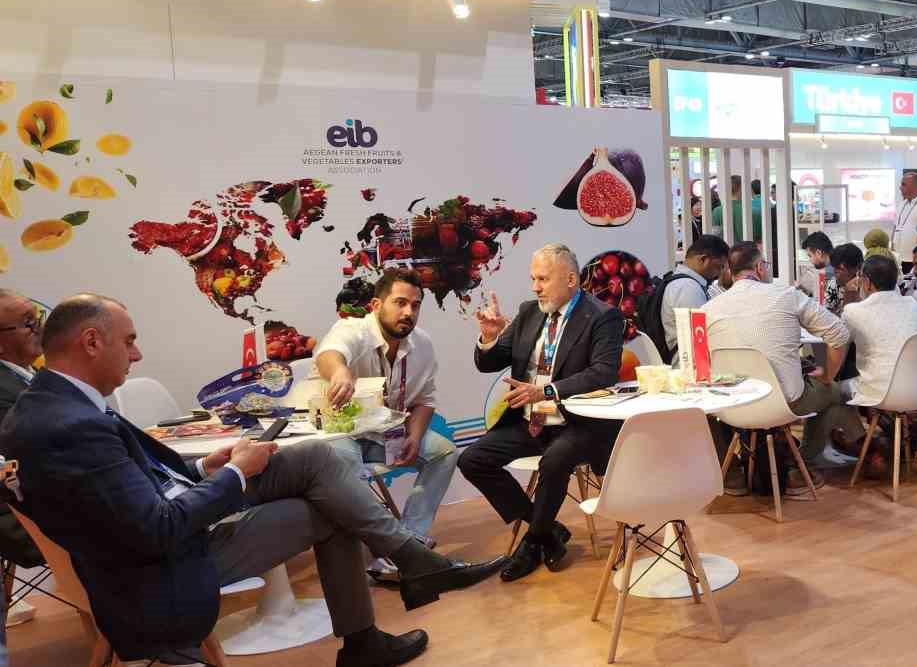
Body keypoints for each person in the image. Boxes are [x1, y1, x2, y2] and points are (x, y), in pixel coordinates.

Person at [0, 294, 502, 666]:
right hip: (162, 567)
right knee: (335, 505)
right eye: (129, 342)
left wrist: (205, 469)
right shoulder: (71, 425)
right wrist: (237, 473)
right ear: (91, 342)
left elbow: (134, 486)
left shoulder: (52, 404)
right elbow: (158, 528)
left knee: (315, 459)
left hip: (166, 523)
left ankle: (410, 568)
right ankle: (384, 611)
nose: (137, 355)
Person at [459, 244, 624, 583]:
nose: (535, 287)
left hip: (577, 423)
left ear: (571, 280)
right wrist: (488, 338)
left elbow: (603, 372)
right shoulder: (529, 312)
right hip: (532, 421)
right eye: (533, 279)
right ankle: (548, 531)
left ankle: (533, 541)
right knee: (471, 460)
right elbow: (489, 363)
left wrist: (547, 391)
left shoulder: (602, 316)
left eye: (543, 279)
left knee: (554, 461)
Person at [317, 269, 458, 583]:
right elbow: (329, 354)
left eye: (416, 305)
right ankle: (378, 549)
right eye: (400, 303)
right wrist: (339, 372)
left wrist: (415, 435)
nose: (409, 312)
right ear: (376, 305)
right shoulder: (353, 329)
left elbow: (425, 399)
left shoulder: (422, 344)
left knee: (445, 453)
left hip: (386, 431)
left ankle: (409, 540)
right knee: (345, 464)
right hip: (342, 432)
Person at [703, 241, 855, 482]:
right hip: (785, 402)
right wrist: (827, 376)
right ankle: (801, 463)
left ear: (730, 272)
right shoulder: (786, 295)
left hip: (730, 407)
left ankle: (732, 475)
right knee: (833, 392)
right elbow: (840, 334)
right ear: (759, 268)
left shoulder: (707, 309)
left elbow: (700, 363)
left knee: (703, 411)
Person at [840, 255, 917, 476]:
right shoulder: (913, 305)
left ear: (867, 282)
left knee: (833, 393)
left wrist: (850, 297)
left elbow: (840, 343)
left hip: (878, 391)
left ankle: (871, 451)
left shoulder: (853, 311)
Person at [0, 291, 44, 634]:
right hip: (26, 524)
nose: (39, 328)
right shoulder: (5, 394)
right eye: (28, 323)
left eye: (37, 317)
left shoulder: (23, 375)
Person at [655, 235, 730, 362]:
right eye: (720, 266)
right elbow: (700, 335)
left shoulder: (681, 283)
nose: (720, 273)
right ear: (703, 259)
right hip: (689, 364)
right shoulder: (688, 289)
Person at [710, 175, 763, 243]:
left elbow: (715, 236)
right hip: (749, 249)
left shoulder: (717, 211)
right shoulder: (754, 211)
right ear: (742, 188)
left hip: (725, 249)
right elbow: (759, 239)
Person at [796, 231, 840, 312]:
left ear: (819, 253)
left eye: (810, 256)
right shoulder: (832, 267)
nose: (810, 260)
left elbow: (829, 310)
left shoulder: (834, 273)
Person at [830, 243, 866, 311]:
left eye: (839, 269)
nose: (835, 272)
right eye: (834, 268)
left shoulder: (868, 287)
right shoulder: (834, 284)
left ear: (856, 268)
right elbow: (827, 312)